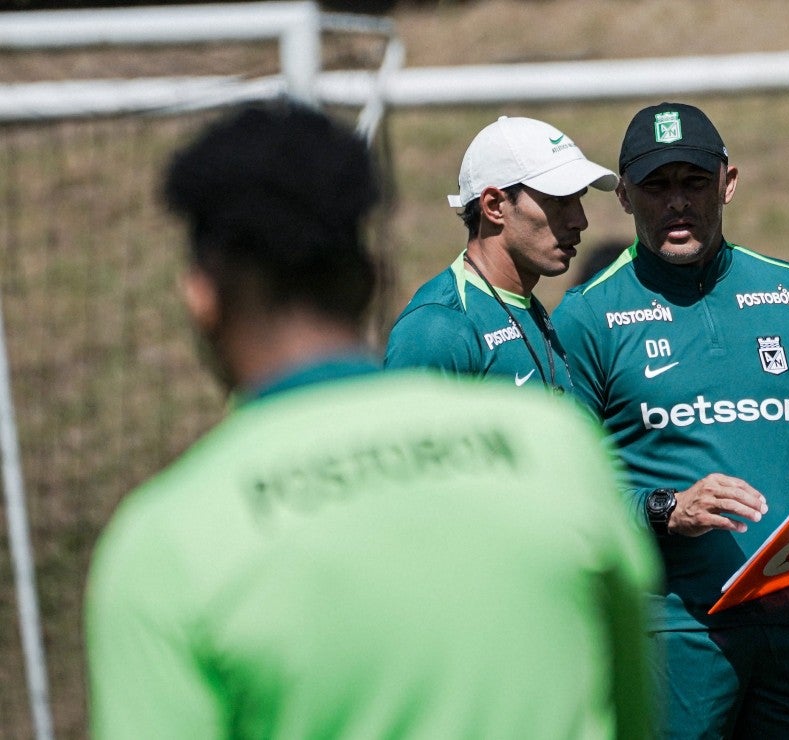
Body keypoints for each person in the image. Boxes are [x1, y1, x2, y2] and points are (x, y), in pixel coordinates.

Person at [84, 100, 660, 740]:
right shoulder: (559, 450)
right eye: (559, 200)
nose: (579, 217)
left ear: (199, 297)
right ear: (371, 278)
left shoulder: (164, 548)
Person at [551, 101, 789, 738]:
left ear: (728, 182)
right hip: (674, 629)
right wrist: (666, 509)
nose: (677, 202)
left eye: (694, 182)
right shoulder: (586, 318)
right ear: (624, 196)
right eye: (657, 186)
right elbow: (565, 493)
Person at [384, 115, 617, 393]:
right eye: (558, 200)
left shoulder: (526, 308)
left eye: (580, 198)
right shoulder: (437, 329)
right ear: (494, 206)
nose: (580, 220)